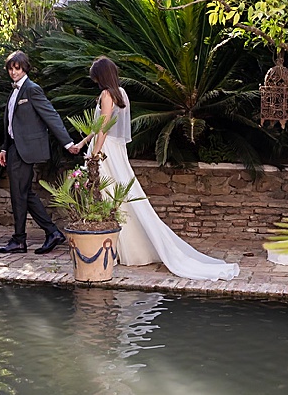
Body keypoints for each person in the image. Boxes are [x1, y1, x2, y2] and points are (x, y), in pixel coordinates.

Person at [69, 56, 239, 281]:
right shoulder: (120, 93)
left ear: (101, 76)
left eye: (96, 78)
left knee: (109, 195)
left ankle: (114, 247)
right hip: (113, 149)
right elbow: (98, 126)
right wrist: (82, 143)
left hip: (105, 150)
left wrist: (95, 155)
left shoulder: (106, 95)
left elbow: (104, 128)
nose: (95, 82)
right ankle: (119, 247)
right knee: (121, 196)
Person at [0, 50, 76, 255]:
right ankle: (50, 233)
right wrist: (5, 147)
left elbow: (51, 115)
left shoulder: (32, 89)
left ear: (25, 68)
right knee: (23, 193)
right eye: (11, 69)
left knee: (19, 193)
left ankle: (21, 240)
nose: (14, 72)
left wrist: (67, 143)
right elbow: (11, 123)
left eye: (17, 68)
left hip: (26, 149)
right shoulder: (14, 91)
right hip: (14, 147)